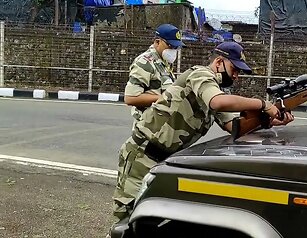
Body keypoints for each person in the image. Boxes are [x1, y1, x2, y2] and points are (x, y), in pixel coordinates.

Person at [112, 42, 294, 221]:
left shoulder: (213, 89)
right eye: (234, 69)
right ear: (218, 62)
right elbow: (218, 102)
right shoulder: (200, 74)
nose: (236, 76)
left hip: (164, 161)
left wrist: (268, 121)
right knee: (127, 218)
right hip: (142, 157)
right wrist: (262, 104)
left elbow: (234, 127)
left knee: (152, 220)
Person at [124, 23, 185, 122]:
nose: (173, 50)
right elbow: (130, 98)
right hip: (147, 126)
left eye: (176, 47)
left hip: (161, 124)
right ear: (157, 42)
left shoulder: (164, 61)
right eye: (170, 45)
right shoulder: (145, 62)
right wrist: (166, 98)